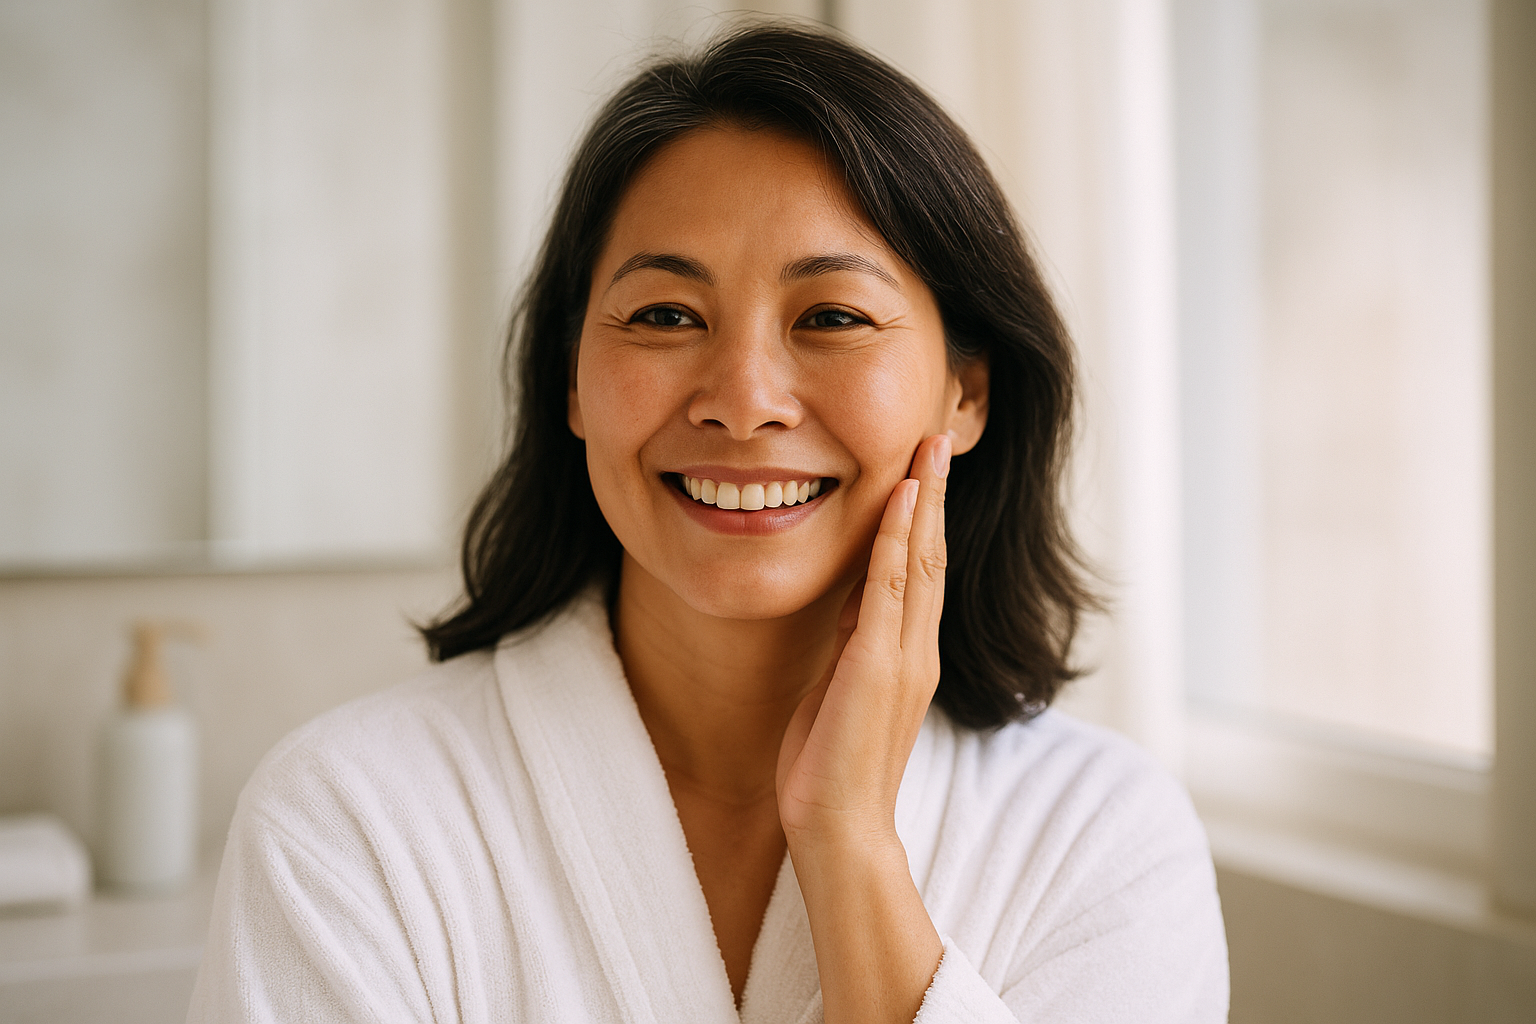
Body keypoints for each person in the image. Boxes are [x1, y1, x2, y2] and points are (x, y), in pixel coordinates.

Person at [188, 23, 1228, 1024]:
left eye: (830, 318)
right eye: (665, 316)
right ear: (573, 383)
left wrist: (851, 841)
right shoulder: (347, 820)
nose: (744, 398)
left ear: (965, 392)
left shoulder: (1105, 839)